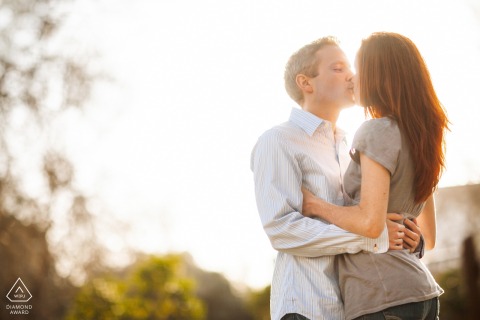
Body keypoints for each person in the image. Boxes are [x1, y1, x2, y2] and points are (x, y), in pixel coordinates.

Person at [251, 36, 422, 320]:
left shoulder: (350, 145)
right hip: (308, 305)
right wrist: (372, 237)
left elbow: (368, 215)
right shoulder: (277, 141)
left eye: (350, 68)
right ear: (306, 83)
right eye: (338, 68)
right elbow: (281, 229)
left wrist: (411, 238)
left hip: (357, 305)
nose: (352, 76)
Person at [301, 32, 449, 320]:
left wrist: (314, 205)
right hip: (421, 294)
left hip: (383, 299)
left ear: (381, 75)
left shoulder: (375, 131)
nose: (353, 79)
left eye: (360, 69)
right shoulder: (421, 137)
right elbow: (427, 239)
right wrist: (409, 235)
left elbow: (370, 223)